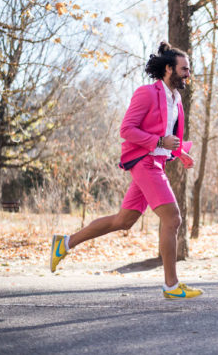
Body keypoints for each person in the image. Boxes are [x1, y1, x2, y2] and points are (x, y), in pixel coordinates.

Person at [50, 41, 203, 299]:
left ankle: (65, 243)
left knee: (124, 221)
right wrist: (157, 142)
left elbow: (169, 138)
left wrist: (180, 152)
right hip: (144, 162)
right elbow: (127, 130)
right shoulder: (147, 93)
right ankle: (171, 286)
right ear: (169, 68)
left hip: (157, 162)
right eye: (184, 69)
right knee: (173, 218)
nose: (188, 74)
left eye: (188, 69)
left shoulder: (176, 100)